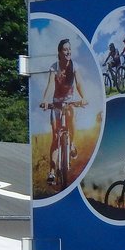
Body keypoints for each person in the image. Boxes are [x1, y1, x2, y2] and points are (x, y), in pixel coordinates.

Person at [38, 38, 87, 185]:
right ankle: (52, 172)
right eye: (65, 49)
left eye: (69, 49)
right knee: (55, 136)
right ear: (59, 52)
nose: (68, 52)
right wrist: (45, 100)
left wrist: (84, 97)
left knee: (72, 117)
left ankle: (71, 144)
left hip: (69, 103)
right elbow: (50, 85)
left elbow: (79, 83)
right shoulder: (54, 67)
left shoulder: (74, 66)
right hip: (57, 104)